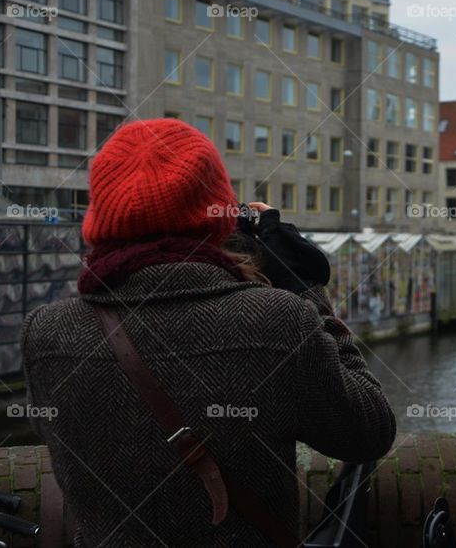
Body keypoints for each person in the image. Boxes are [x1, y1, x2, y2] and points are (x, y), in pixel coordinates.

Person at [20, 118, 396, 547]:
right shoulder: (276, 321)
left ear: (102, 215)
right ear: (217, 214)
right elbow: (370, 432)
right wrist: (303, 290)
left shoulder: (47, 333)